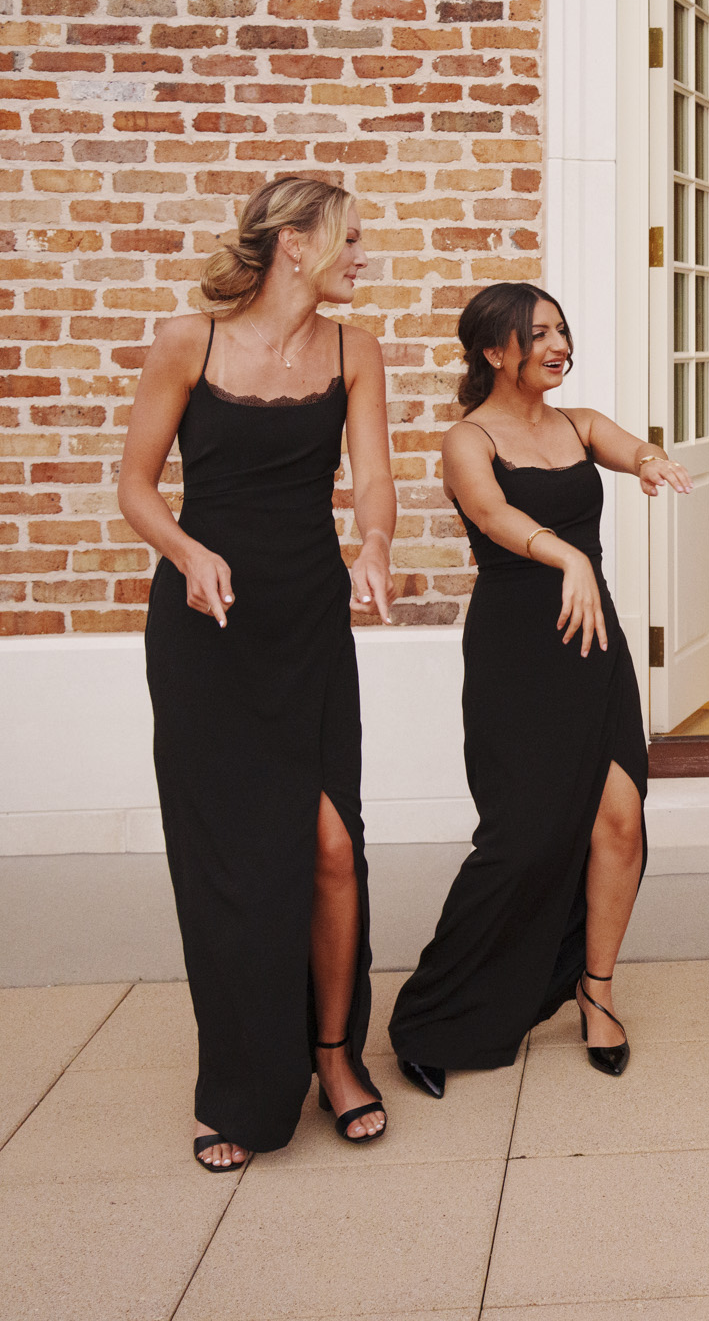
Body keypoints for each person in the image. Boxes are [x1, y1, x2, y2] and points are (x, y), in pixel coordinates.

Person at [119, 176, 396, 1170]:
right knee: (231, 863)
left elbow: (372, 477)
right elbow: (136, 485)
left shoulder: (353, 351)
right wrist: (188, 554)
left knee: (330, 848)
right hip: (207, 627)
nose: (364, 255)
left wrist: (371, 543)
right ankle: (236, 1083)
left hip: (308, 620)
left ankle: (333, 1053)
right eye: (351, 239)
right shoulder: (187, 344)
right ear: (294, 246)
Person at [387, 284, 691, 1099]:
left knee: (620, 820)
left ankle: (596, 994)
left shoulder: (575, 423)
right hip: (518, 648)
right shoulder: (468, 438)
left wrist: (651, 461)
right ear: (495, 351)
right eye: (539, 334)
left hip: (592, 641)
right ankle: (430, 1016)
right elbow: (489, 516)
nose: (559, 345)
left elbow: (624, 446)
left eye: (563, 330)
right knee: (519, 840)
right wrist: (569, 557)